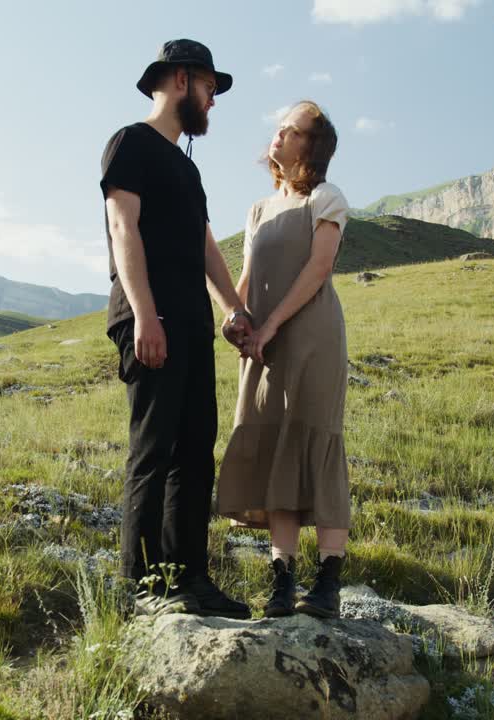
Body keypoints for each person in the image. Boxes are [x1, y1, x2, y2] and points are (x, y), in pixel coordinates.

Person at [101, 39, 253, 618]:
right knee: (153, 450)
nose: (214, 102)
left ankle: (187, 580)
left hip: (190, 322)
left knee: (195, 450)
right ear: (183, 80)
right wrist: (143, 314)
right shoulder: (131, 143)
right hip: (150, 317)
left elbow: (204, 243)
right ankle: (138, 587)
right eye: (212, 89)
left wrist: (233, 308)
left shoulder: (187, 167)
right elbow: (123, 226)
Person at [216, 100, 351, 619]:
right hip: (265, 348)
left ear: (311, 146)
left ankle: (328, 584)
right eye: (278, 129)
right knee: (273, 447)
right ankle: (281, 581)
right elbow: (246, 284)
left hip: (313, 339)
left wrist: (271, 325)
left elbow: (319, 269)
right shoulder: (258, 210)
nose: (278, 136)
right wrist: (237, 320)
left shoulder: (326, 198)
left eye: (290, 131)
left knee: (316, 441)